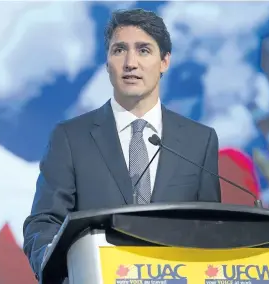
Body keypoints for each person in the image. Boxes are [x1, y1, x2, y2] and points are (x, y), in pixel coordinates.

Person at [22, 8, 221, 283]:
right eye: (119, 50)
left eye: (143, 50)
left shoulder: (200, 141)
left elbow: (210, 226)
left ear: (164, 61)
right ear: (107, 63)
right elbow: (43, 223)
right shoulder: (70, 137)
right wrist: (60, 268)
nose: (130, 63)